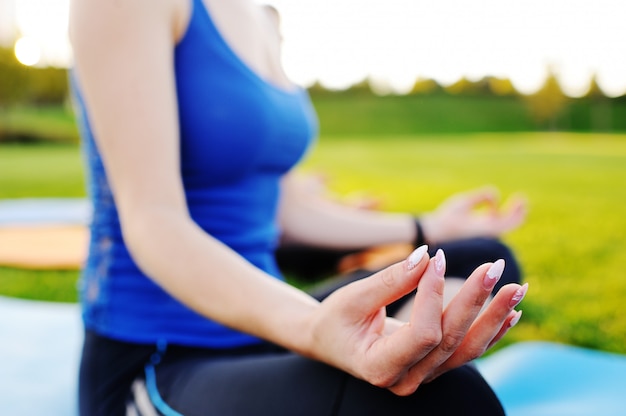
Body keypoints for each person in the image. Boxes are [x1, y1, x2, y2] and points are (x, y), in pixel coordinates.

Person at [68, 0, 528, 414]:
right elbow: (153, 219)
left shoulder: (263, 17)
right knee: (450, 399)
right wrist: (315, 327)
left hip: (266, 324)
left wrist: (426, 226)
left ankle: (388, 345)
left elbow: (287, 212)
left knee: (481, 258)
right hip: (161, 356)